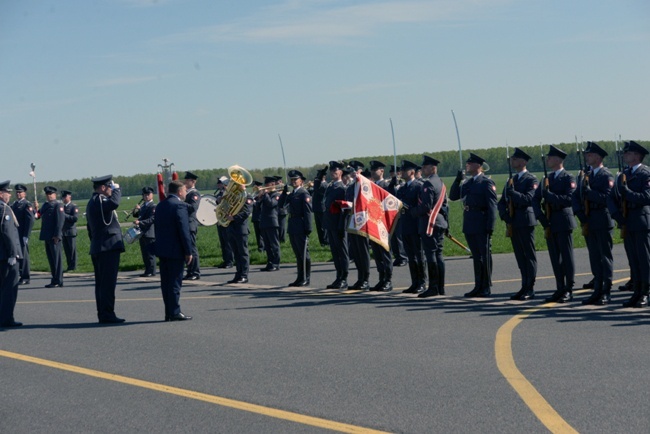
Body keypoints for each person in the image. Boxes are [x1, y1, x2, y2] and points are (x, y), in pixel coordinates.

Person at [449, 153, 498, 297]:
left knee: (484, 255)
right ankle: (478, 285)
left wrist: (491, 226)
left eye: (470, 163)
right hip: (470, 222)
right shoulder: (467, 183)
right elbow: (453, 196)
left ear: (478, 165)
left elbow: (491, 206)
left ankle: (486, 286)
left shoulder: (486, 182)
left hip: (482, 222)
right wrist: (458, 180)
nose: (467, 165)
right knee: (476, 256)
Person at [608, 141, 650, 308]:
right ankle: (637, 291)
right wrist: (617, 215)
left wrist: (629, 193)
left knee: (644, 259)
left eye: (629, 153)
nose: (625, 155)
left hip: (641, 220)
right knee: (633, 259)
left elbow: (647, 197)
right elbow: (611, 197)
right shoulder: (623, 174)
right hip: (626, 220)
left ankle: (645, 292)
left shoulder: (645, 173)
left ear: (637, 156)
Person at [572, 141, 614, 305]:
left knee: (605, 257)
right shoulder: (585, 176)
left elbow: (608, 198)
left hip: (602, 218)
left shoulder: (606, 176)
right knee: (594, 257)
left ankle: (606, 291)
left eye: (590, 155)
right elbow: (576, 196)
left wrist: (592, 193)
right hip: (589, 219)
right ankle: (597, 289)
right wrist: (580, 213)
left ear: (598, 157)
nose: (587, 157)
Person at [534, 145, 577, 303]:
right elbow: (535, 199)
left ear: (558, 159)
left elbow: (569, 199)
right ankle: (559, 287)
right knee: (555, 257)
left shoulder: (568, 178)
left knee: (566, 256)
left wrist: (551, 196)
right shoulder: (546, 179)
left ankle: (569, 288)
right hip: (550, 221)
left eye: (550, 157)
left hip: (563, 220)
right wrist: (541, 217)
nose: (548, 160)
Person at [498, 147, 539, 300]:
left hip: (526, 220)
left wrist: (513, 194)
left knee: (528, 255)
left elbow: (529, 199)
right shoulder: (512, 180)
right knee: (520, 256)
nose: (512, 161)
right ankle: (524, 285)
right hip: (514, 221)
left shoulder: (531, 179)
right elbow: (501, 202)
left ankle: (530, 287)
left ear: (523, 161)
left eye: (515, 159)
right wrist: (505, 216)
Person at [86, 175, 125, 323]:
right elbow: (115, 202)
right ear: (103, 188)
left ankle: (104, 313)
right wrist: (118, 189)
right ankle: (107, 314)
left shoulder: (94, 202)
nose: (111, 190)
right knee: (107, 284)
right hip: (107, 248)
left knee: (102, 284)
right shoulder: (99, 201)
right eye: (109, 187)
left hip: (99, 246)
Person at [154, 180, 193, 321]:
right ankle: (175, 311)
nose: (185, 193)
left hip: (162, 249)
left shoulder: (160, 205)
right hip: (175, 250)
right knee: (175, 283)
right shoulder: (179, 206)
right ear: (179, 192)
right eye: (184, 190)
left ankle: (168, 312)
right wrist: (188, 251)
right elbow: (184, 230)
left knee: (166, 283)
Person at [412, 156, 449, 298]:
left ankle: (433, 287)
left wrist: (413, 211)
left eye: (425, 167)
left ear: (433, 168)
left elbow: (425, 207)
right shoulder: (440, 182)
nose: (422, 169)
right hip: (439, 221)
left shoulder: (428, 184)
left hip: (429, 223)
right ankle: (440, 287)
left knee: (431, 254)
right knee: (438, 254)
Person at [278, 170, 313, 286]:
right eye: (292, 180)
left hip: (301, 223)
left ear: (301, 181)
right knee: (298, 253)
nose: (293, 182)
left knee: (303, 253)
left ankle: (305, 278)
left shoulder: (304, 193)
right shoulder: (292, 194)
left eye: (295, 180)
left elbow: (307, 212)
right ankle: (299, 277)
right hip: (293, 224)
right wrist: (284, 193)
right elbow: (281, 205)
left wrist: (308, 227)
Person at [344, 161, 371, 290]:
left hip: (364, 222)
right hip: (352, 221)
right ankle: (360, 278)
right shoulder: (350, 187)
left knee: (363, 251)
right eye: (351, 172)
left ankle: (365, 278)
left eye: (356, 171)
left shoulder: (366, 185)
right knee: (356, 251)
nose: (353, 174)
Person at [323, 160, 349, 289]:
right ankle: (338, 276)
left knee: (342, 252)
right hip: (331, 223)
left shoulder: (342, 188)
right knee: (335, 252)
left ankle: (344, 277)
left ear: (341, 172)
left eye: (336, 170)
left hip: (339, 224)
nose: (333, 172)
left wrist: (341, 226)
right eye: (331, 170)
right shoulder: (331, 186)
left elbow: (344, 210)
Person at [0, 180, 22, 327]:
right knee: (9, 289)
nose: (9, 195)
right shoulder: (4, 209)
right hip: (7, 256)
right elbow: (7, 233)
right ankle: (7, 318)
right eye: (7, 192)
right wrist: (13, 254)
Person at [35, 186, 64, 288]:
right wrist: (36, 209)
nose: (49, 196)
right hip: (47, 236)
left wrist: (57, 235)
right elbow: (37, 216)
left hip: (54, 236)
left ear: (55, 195)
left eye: (51, 194)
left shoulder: (58, 205)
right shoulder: (46, 205)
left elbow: (60, 222)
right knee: (51, 259)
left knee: (56, 259)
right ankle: (54, 278)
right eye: (47, 194)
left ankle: (58, 280)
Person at [226, 184, 253, 284]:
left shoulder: (247, 196)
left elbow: (246, 212)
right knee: (236, 253)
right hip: (231, 228)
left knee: (243, 253)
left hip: (241, 228)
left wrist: (234, 218)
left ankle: (244, 275)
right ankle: (238, 274)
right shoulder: (233, 196)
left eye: (239, 183)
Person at [11, 184, 34, 285]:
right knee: (18, 255)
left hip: (22, 233)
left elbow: (30, 220)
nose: (18, 194)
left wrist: (26, 235)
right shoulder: (15, 204)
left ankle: (25, 276)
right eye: (17, 192)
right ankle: (19, 274)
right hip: (15, 234)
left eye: (20, 192)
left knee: (24, 256)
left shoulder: (26, 204)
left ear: (24, 193)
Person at [259, 176, 281, 271]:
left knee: (274, 244)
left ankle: (276, 263)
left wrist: (265, 195)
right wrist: (260, 196)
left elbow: (271, 204)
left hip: (272, 222)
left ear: (272, 185)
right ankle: (270, 262)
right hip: (264, 222)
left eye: (267, 185)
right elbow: (257, 206)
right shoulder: (266, 195)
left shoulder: (276, 194)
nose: (265, 187)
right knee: (267, 245)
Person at [133, 186, 157, 277]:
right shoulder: (143, 206)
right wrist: (137, 210)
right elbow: (138, 215)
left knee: (150, 253)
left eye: (148, 194)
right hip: (142, 233)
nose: (146, 196)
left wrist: (140, 222)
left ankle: (152, 270)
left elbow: (152, 219)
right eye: (144, 195)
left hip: (149, 232)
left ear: (152, 195)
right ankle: (147, 270)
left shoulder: (153, 206)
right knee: (144, 253)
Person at [388, 164, 408, 267]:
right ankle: (397, 256)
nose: (394, 175)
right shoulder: (390, 184)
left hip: (400, 214)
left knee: (399, 237)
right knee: (393, 237)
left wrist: (398, 185)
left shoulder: (403, 184)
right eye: (392, 173)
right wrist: (392, 185)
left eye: (396, 173)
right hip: (392, 214)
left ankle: (403, 257)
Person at [183, 171, 201, 280]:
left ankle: (195, 271)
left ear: (193, 181)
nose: (185, 182)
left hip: (190, 223)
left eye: (187, 180)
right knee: (187, 249)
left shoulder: (194, 194)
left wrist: (180, 203)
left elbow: (193, 207)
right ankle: (190, 270)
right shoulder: (187, 193)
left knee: (192, 249)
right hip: (185, 224)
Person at [215, 176, 234, 268]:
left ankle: (230, 261)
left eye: (222, 184)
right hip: (220, 220)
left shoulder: (229, 193)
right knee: (223, 242)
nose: (221, 186)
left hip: (227, 220)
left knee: (227, 242)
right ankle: (225, 260)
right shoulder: (221, 193)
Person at [61, 190, 79, 272]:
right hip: (63, 232)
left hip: (71, 231)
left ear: (69, 197)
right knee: (67, 250)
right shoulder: (62, 207)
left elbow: (75, 218)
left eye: (65, 197)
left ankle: (73, 265)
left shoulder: (73, 207)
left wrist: (64, 215)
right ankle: (69, 265)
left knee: (72, 250)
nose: (64, 198)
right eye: (63, 197)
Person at [311, 166, 329, 247]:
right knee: (319, 227)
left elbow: (317, 189)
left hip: (322, 208)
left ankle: (326, 241)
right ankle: (322, 241)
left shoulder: (325, 185)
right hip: (316, 208)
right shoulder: (318, 185)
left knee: (323, 226)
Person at [251, 180, 265, 252]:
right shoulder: (255, 195)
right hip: (255, 217)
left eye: (257, 187)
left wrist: (254, 202)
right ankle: (260, 247)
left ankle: (263, 248)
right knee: (258, 234)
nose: (255, 188)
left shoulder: (263, 195)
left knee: (262, 234)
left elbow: (260, 206)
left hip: (261, 217)